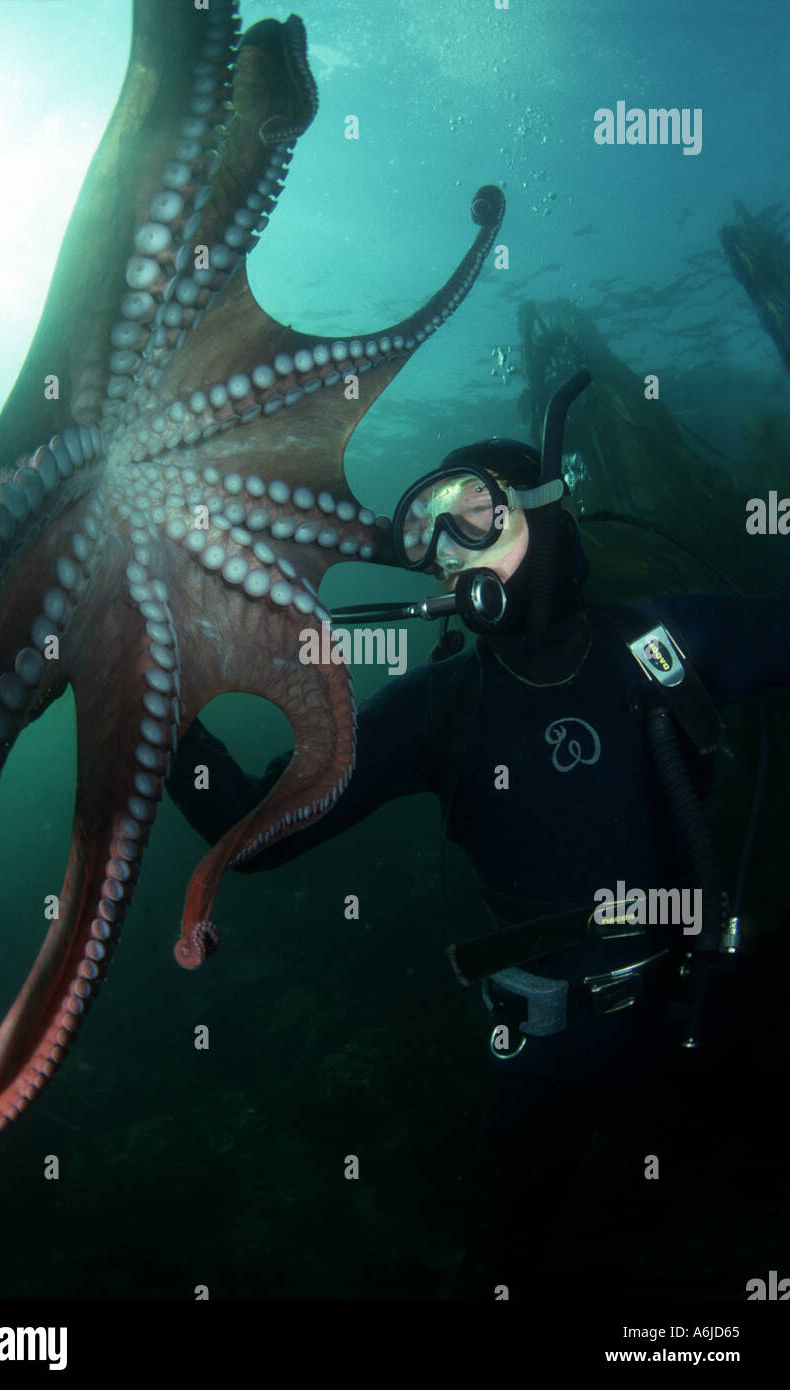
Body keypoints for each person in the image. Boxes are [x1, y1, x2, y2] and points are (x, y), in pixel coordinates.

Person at [167, 371, 790, 1298]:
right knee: (495, 1276)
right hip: (543, 1053)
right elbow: (252, 832)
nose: (451, 555)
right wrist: (162, 704)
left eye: (476, 516)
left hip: (707, 1004)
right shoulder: (433, 710)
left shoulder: (673, 641)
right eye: (428, 538)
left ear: (549, 508)